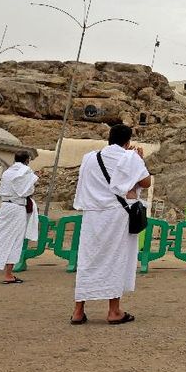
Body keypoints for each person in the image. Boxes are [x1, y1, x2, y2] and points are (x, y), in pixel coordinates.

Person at [71, 124, 151, 325]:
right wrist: (140, 161)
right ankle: (114, 311)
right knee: (115, 259)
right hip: (117, 215)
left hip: (93, 215)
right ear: (128, 141)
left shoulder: (89, 158)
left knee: (87, 260)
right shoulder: (129, 157)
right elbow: (146, 182)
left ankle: (78, 311)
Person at [0, 151, 39, 284]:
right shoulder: (26, 171)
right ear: (27, 160)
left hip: (5, 206)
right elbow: (27, 191)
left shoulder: (7, 172)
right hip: (17, 207)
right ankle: (8, 274)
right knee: (15, 240)